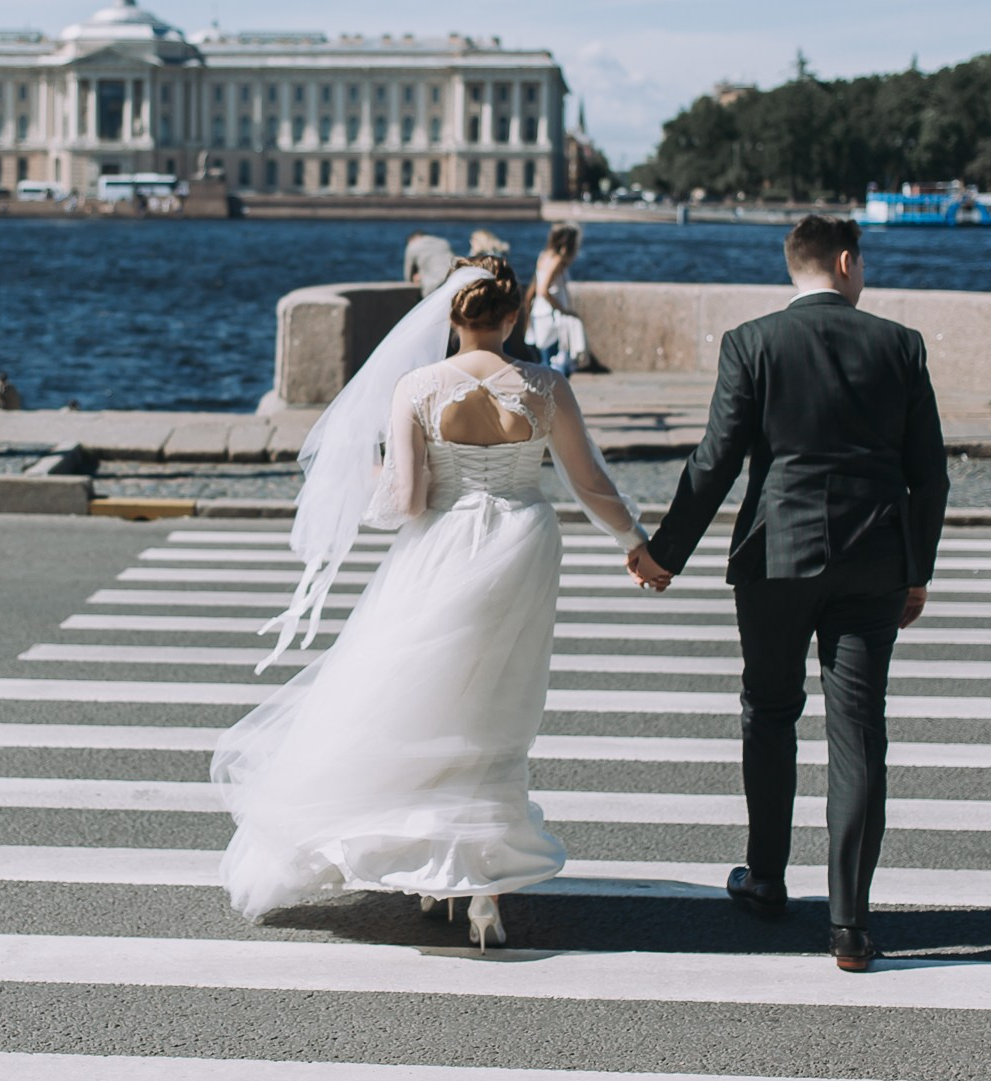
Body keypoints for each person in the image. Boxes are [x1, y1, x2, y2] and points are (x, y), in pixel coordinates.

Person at [214, 259, 663, 949]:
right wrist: (633, 541)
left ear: (451, 317)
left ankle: (436, 872)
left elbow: (409, 501)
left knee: (430, 701)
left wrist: (371, 485)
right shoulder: (545, 387)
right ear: (513, 315)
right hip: (523, 539)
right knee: (498, 706)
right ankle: (483, 891)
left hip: (442, 548)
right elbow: (591, 484)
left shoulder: (418, 386)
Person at [630, 214, 946, 973]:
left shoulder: (752, 343)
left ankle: (766, 880)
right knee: (859, 733)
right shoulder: (900, 345)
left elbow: (715, 462)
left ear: (794, 266)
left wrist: (663, 553)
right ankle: (850, 925)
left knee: (769, 714)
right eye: (861, 263)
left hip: (775, 557)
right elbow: (928, 472)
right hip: (873, 561)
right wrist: (917, 568)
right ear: (845, 261)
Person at [525, 221, 590, 374]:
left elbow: (535, 287)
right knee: (557, 364)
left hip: (539, 313)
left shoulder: (544, 256)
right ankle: (555, 396)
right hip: (551, 317)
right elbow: (543, 290)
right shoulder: (557, 261)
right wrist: (564, 311)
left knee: (546, 362)